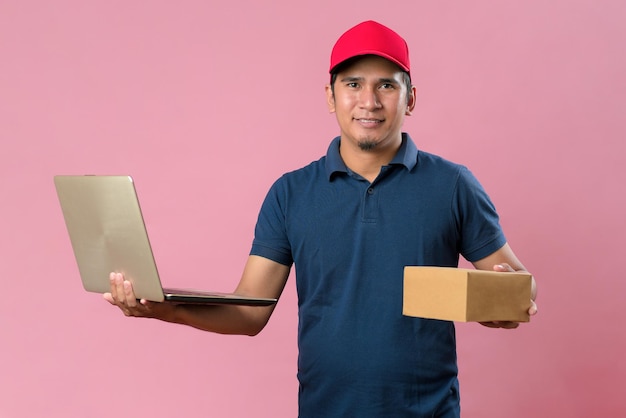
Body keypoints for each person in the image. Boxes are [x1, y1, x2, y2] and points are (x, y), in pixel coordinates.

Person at [105, 20, 538, 417]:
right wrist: (164, 309)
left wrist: (499, 303)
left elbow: (519, 287)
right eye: (353, 84)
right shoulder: (291, 193)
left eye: (386, 85)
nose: (369, 101)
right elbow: (249, 312)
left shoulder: (452, 185)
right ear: (331, 96)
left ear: (411, 99)